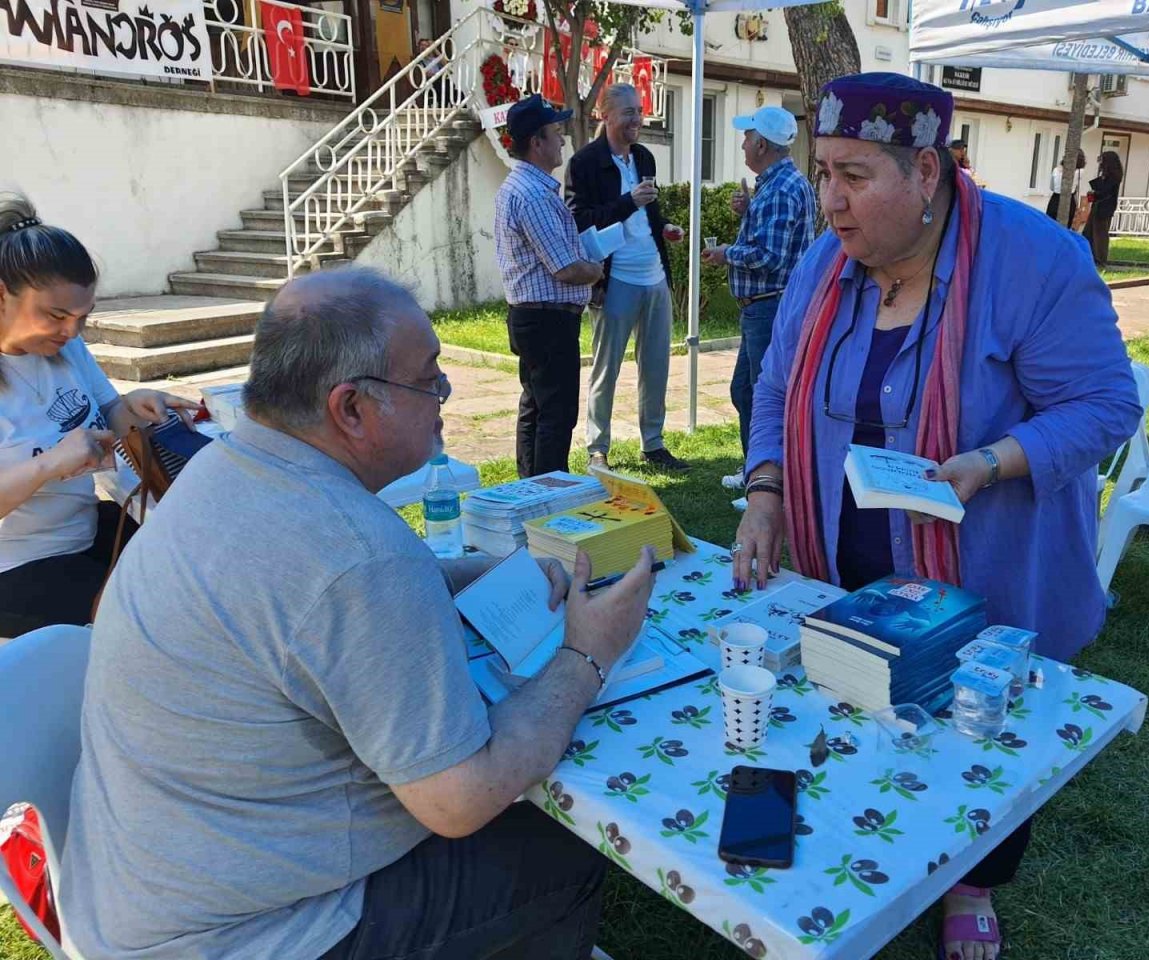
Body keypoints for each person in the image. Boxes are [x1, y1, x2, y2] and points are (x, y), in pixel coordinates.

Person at [60, 267, 659, 960]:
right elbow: (462, 799)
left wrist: (480, 570)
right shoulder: (354, 553)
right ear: (350, 408)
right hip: (241, 937)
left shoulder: (227, 471)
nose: (444, 396)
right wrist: (588, 654)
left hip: (145, 893)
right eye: (429, 379)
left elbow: (315, 606)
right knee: (556, 855)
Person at [731, 74, 1140, 960]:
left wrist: (991, 463)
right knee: (853, 695)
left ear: (926, 171)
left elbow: (1108, 405)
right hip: (843, 548)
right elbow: (774, 386)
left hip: (985, 555)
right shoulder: (823, 263)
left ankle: (972, 882)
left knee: (979, 729)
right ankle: (863, 827)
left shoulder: (1036, 261)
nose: (830, 201)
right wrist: (767, 490)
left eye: (853, 175)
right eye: (822, 172)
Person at [0, 193, 196, 637]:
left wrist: (142, 406)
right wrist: (48, 464)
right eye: (55, 315)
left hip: (85, 529)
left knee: (200, 569)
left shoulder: (66, 347)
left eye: (83, 317)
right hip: (17, 567)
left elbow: (111, 411)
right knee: (158, 622)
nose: (71, 331)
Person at [566, 83, 689, 473]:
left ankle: (653, 444)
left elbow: (649, 211)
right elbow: (578, 221)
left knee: (656, 366)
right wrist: (627, 202)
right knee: (607, 366)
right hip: (614, 279)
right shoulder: (584, 163)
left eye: (639, 111)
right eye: (629, 113)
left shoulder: (644, 157)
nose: (638, 119)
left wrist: (666, 226)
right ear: (606, 115)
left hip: (654, 276)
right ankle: (597, 447)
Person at [701, 106, 815, 491]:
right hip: (766, 307)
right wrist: (750, 212)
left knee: (764, 397)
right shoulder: (779, 184)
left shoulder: (781, 190)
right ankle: (757, 468)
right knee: (746, 391)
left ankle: (767, 481)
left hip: (770, 307)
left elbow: (769, 257)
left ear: (763, 144)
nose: (744, 144)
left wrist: (725, 253)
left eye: (747, 137)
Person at [495, 96, 603, 478]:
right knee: (555, 412)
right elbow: (565, 268)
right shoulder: (534, 195)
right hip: (547, 319)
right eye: (556, 133)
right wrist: (596, 270)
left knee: (537, 406)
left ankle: (531, 485)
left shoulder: (521, 187)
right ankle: (546, 492)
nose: (563, 141)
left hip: (535, 316)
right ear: (536, 142)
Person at [1083, 150, 1124, 268]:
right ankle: (1090, 256)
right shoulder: (1109, 176)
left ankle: (1100, 259)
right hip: (1100, 206)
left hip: (1104, 207)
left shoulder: (1113, 177)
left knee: (1100, 235)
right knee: (1089, 232)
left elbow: (1104, 192)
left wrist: (1095, 193)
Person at [1047, 150, 1086, 226]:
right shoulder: (1080, 172)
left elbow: (1051, 187)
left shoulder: (1056, 170)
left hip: (1055, 198)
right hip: (1070, 199)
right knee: (1065, 226)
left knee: (1051, 224)